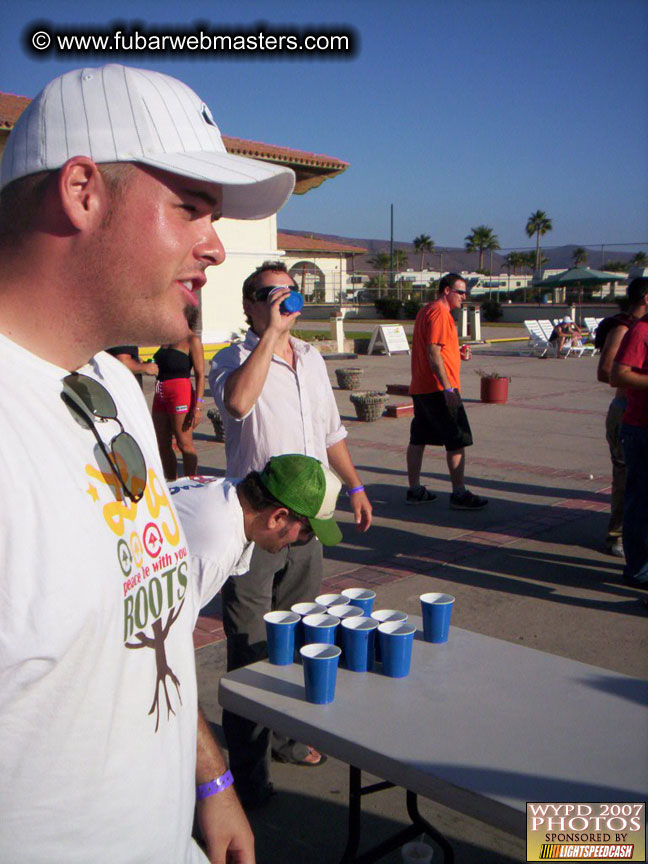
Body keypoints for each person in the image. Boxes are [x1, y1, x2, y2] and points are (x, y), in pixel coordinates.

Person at [0, 62, 295, 863]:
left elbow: (149, 623)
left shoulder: (115, 388)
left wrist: (209, 780)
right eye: (191, 208)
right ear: (83, 191)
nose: (215, 245)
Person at [209, 260, 372, 808]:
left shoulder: (313, 358)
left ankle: (283, 738)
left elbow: (331, 432)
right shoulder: (231, 360)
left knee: (301, 637)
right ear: (250, 306)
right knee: (251, 650)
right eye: (269, 293)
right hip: (256, 528)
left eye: (290, 290)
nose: (283, 299)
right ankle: (247, 778)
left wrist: (354, 487)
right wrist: (272, 334)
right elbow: (237, 404)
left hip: (308, 523)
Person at [172, 454, 343, 600]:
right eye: (307, 530)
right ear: (278, 517)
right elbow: (168, 626)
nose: (305, 539)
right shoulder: (217, 549)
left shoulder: (233, 492)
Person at [406, 272, 487, 510]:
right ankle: (459, 493)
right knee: (456, 439)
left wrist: (458, 353)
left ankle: (414, 490)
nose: (464, 297)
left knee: (418, 438)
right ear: (447, 291)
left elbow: (436, 349)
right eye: (461, 292)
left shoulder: (427, 311)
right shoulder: (441, 313)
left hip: (422, 387)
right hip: (439, 389)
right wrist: (448, 388)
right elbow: (433, 352)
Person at [596, 278, 648, 557]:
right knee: (625, 477)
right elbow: (606, 371)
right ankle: (616, 535)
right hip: (626, 411)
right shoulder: (626, 328)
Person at [610, 284, 648, 593]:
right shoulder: (640, 331)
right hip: (641, 428)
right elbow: (617, 374)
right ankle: (639, 571)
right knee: (640, 503)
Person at [153, 323, 205, 480]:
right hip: (160, 391)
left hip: (180, 392)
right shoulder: (167, 338)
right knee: (162, 444)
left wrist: (198, 406)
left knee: (184, 443)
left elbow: (200, 374)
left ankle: (191, 483)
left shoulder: (192, 340)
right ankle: (171, 483)